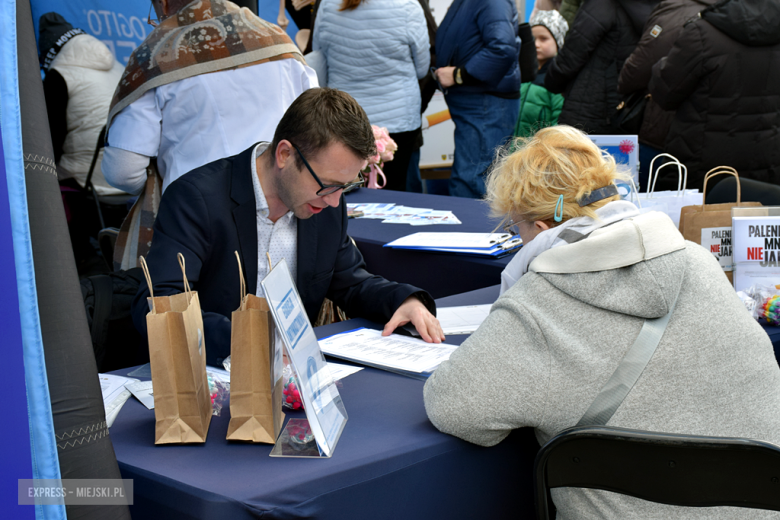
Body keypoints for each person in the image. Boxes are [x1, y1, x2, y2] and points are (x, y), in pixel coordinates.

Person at [423, 125, 780, 519]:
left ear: (541, 227)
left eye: (515, 227)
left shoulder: (542, 300)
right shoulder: (699, 261)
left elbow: (455, 409)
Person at [133, 88, 444, 367]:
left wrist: (405, 301)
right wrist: (252, 340)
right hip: (212, 378)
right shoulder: (198, 199)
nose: (335, 201)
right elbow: (159, 305)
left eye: (346, 186)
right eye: (328, 185)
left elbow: (350, 282)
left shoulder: (326, 204)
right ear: (284, 154)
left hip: (294, 381)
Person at [102, 0, 318, 195]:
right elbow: (316, 134)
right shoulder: (281, 44)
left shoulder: (154, 56)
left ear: (164, 3)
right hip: (279, 208)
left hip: (195, 217)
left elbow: (122, 171)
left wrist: (163, 186)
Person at [648, 0, 780, 190]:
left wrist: (661, 65)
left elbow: (665, 93)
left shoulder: (702, 33)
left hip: (704, 167)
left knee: (694, 219)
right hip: (767, 164)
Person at [38, 13, 129, 274]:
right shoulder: (118, 65)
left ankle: (71, 260)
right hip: (127, 174)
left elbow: (50, 144)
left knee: (43, 176)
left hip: (89, 182)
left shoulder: (58, 76)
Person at [312, 0, 429, 191]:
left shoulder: (328, 5)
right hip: (398, 117)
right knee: (398, 191)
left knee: (344, 191)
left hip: (344, 117)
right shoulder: (407, 5)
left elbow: (320, 54)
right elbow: (422, 67)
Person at [618, 0, 717, 190]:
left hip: (661, 132)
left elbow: (635, 72)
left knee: (645, 204)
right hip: (715, 142)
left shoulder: (678, 11)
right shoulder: (741, 15)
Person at [434, 0, 521, 199]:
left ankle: (472, 231)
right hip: (479, 102)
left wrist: (458, 75)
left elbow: (502, 48)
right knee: (474, 179)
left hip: (485, 102)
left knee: (473, 182)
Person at [544, 0, 660, 134]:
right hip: (628, 109)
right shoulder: (659, 8)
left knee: (577, 153)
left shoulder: (602, 4)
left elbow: (575, 49)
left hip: (586, 104)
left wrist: (552, 80)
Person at [513, 10, 567, 139]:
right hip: (514, 151)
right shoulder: (519, 73)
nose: (536, 44)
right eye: (533, 39)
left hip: (540, 152)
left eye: (544, 39)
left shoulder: (557, 78)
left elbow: (558, 119)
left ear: (558, 43)